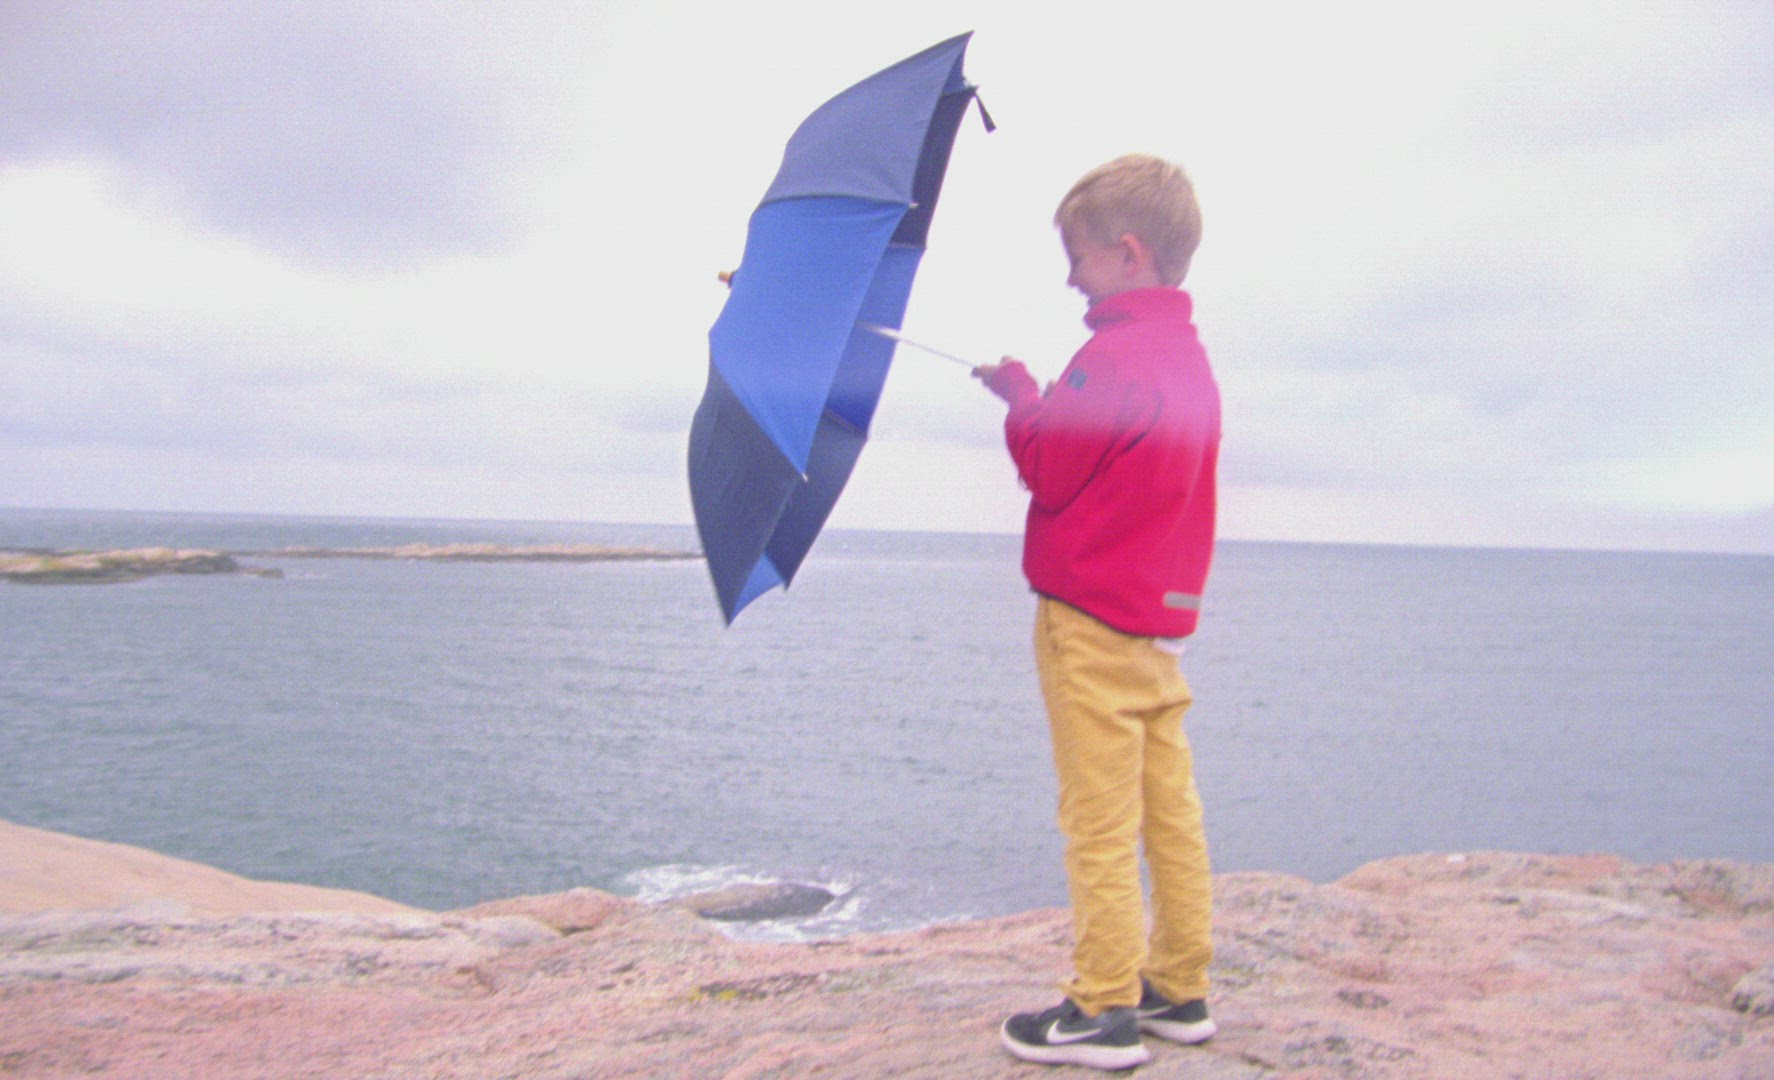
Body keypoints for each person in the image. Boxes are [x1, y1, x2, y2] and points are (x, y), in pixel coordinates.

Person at [976, 153, 1221, 1071]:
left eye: (1077, 257)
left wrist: (1023, 397)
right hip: (1158, 625)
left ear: (1127, 252)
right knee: (1169, 811)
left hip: (1088, 621)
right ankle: (1180, 987)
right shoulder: (1189, 359)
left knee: (1099, 818)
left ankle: (1104, 1006)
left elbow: (1049, 468)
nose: (1071, 277)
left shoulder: (1111, 357)